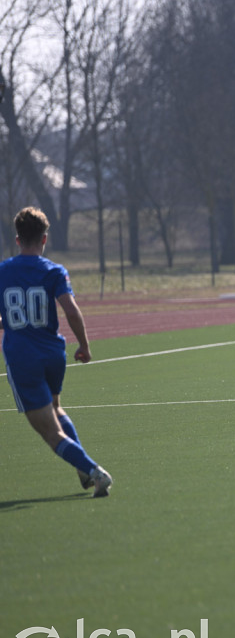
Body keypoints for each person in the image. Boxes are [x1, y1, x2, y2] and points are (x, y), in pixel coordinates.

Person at [0, 207, 112, 497]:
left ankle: (95, 472)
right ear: (44, 239)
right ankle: (82, 469)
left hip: (22, 358)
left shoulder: (3, 271)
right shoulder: (54, 270)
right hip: (52, 354)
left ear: (17, 239)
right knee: (57, 409)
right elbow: (71, 310)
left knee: (50, 433)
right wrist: (84, 345)